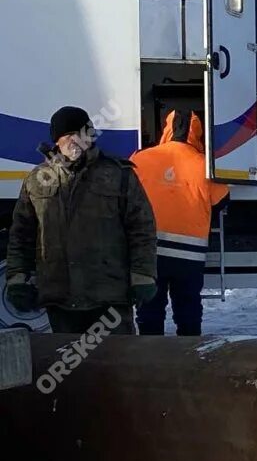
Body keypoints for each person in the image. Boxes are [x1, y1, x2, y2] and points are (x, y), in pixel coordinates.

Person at [5, 106, 157, 334]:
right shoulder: (36, 180)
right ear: (57, 140)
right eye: (67, 135)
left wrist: (143, 276)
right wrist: (17, 278)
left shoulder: (119, 175)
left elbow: (141, 228)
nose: (74, 141)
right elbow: (21, 234)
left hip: (108, 297)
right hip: (60, 298)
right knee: (68, 367)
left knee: (116, 365)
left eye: (80, 134)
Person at [130, 109, 230, 336]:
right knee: (188, 311)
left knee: (149, 309)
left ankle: (148, 358)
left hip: (149, 252)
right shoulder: (205, 165)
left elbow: (124, 198)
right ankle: (188, 357)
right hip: (189, 256)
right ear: (197, 133)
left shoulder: (140, 158)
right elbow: (222, 200)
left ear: (166, 129)